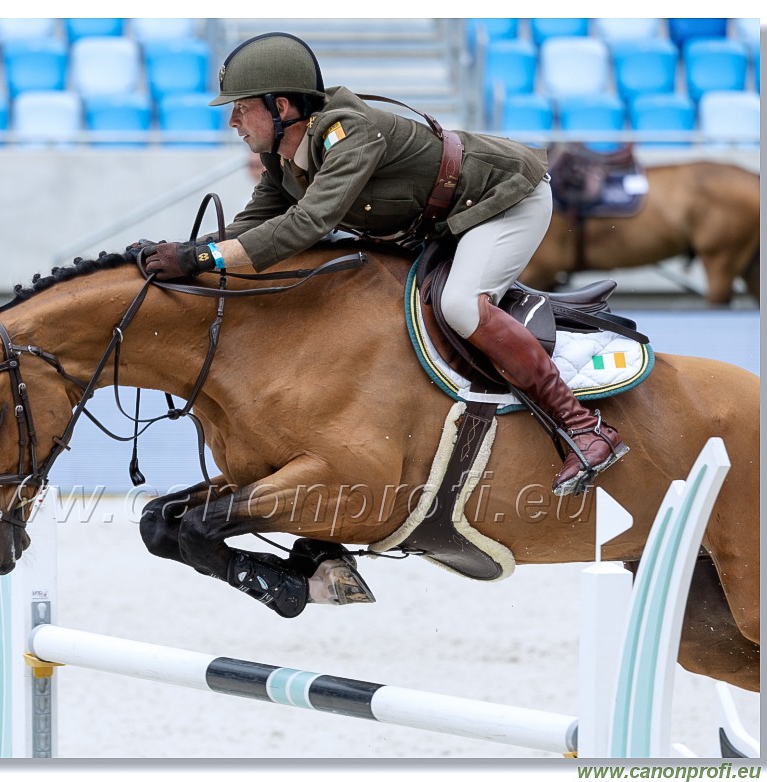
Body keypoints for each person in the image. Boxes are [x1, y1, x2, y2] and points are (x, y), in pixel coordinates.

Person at [136, 32, 627, 540]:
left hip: (505, 201)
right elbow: (250, 228)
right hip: (441, 223)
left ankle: (585, 428)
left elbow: (309, 224)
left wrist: (197, 257)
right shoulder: (283, 157)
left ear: (280, 106)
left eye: (240, 109)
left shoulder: (347, 133)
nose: (233, 121)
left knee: (461, 305)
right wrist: (173, 254)